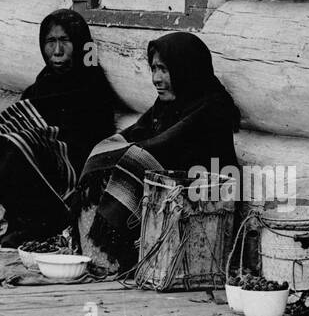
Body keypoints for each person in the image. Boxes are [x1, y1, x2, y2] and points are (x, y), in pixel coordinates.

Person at [0, 9, 119, 245]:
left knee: (19, 145)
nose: (57, 51)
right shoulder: (42, 84)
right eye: (50, 42)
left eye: (65, 41)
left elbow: (91, 140)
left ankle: (13, 223)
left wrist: (42, 138)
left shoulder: (92, 85)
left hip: (70, 170)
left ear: (79, 44)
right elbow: (20, 119)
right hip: (35, 157)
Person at [76, 31, 241, 274]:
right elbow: (137, 134)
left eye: (164, 69)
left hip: (198, 199)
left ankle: (116, 257)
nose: (156, 78)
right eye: (153, 69)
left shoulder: (211, 107)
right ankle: (102, 254)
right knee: (106, 155)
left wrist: (129, 156)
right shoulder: (164, 107)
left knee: (133, 161)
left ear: (187, 68)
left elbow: (167, 145)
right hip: (168, 191)